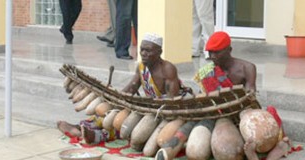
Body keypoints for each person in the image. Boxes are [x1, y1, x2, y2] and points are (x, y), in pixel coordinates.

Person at [57, 33, 186, 144]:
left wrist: (147, 108)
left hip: (164, 110)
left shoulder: (168, 69)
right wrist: (114, 97)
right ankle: (81, 127)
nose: (143, 54)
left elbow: (172, 101)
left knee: (126, 124)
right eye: (141, 50)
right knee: (112, 109)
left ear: (159, 52)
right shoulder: (141, 67)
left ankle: (96, 136)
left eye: (148, 50)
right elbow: (130, 89)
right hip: (149, 106)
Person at [194, 31, 290, 160]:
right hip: (221, 114)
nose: (212, 56)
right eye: (210, 52)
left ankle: (270, 152)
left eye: (217, 52)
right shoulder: (206, 72)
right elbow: (203, 96)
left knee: (264, 128)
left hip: (244, 110)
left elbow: (250, 94)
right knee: (226, 149)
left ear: (229, 50)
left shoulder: (248, 67)